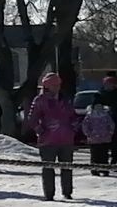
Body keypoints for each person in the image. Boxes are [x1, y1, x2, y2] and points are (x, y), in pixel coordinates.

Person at [23, 72, 79, 200]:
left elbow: (73, 116)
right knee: (48, 168)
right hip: (47, 140)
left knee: (67, 167)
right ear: (47, 86)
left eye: (58, 84)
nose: (57, 87)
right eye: (54, 85)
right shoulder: (40, 100)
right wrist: (39, 129)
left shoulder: (65, 99)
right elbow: (32, 118)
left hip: (66, 138)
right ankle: (49, 193)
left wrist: (74, 127)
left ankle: (67, 192)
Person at [80, 93, 117, 175]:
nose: (98, 107)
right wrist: (88, 134)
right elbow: (85, 126)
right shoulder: (90, 116)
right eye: (97, 106)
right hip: (94, 139)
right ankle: (94, 169)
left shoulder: (106, 115)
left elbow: (111, 125)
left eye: (100, 106)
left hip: (105, 138)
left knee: (104, 155)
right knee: (95, 155)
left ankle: (104, 169)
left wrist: (110, 133)